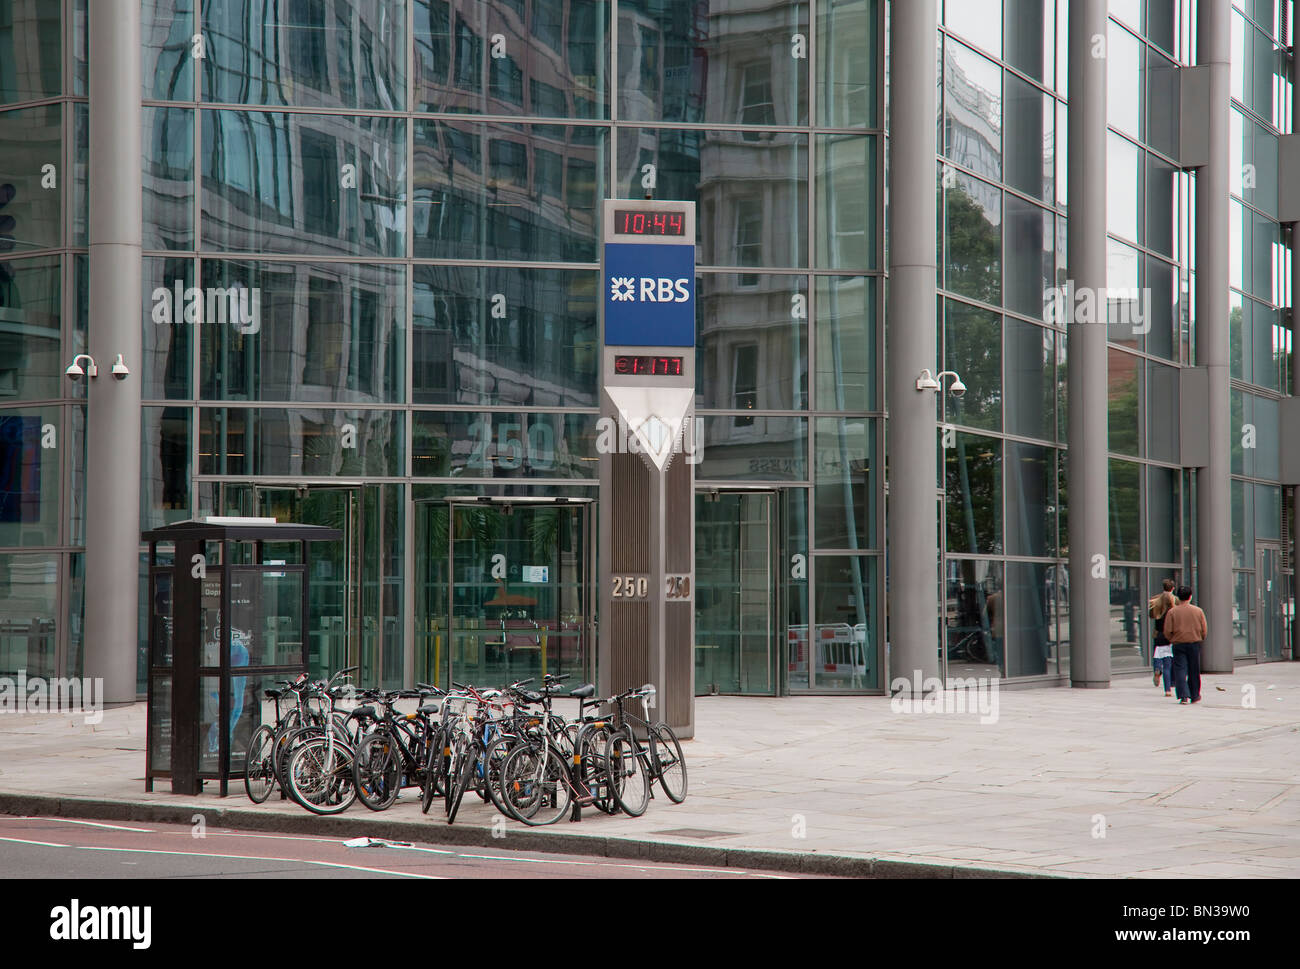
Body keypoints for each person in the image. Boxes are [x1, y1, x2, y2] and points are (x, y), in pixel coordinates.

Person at [1164, 585, 1208, 705]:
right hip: (1194, 643)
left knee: (1180, 669)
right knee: (1194, 669)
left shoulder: (1172, 612)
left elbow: (1167, 630)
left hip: (1178, 644)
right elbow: (1204, 629)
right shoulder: (1198, 611)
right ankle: (1195, 695)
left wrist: (1172, 639)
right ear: (1190, 596)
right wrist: (1200, 638)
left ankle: (1183, 695)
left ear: (1178, 597)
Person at [1149, 578, 1177, 696]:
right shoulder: (1175, 601)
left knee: (1157, 653)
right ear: (1173, 588)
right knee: (1168, 663)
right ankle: (1168, 689)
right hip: (1169, 635)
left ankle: (1157, 668)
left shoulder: (1156, 600)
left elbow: (1151, 615)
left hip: (1158, 633)